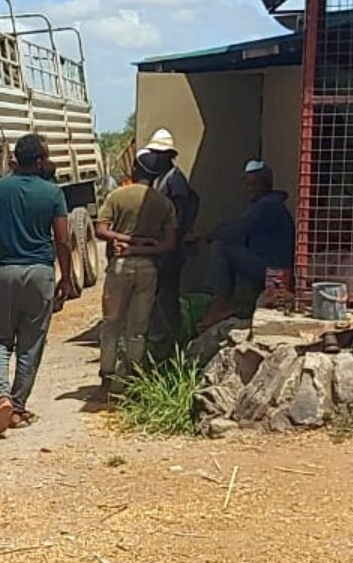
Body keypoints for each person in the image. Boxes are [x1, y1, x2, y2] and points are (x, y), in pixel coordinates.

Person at [0, 133, 77, 437]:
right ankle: (17, 408)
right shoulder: (52, 193)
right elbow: (62, 240)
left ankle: (2, 396)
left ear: (16, 159)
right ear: (41, 161)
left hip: (6, 270)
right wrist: (66, 279)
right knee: (31, 344)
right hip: (40, 273)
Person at [95, 153, 177, 387]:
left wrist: (125, 239)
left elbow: (101, 229)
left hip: (120, 266)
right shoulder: (163, 202)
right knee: (138, 328)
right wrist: (144, 245)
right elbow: (169, 243)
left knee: (111, 324)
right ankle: (133, 377)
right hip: (148, 267)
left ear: (134, 168)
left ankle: (107, 378)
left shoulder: (117, 196)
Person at [197, 160, 295, 332]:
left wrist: (210, 234)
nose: (249, 188)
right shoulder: (269, 204)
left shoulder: (266, 205)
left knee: (220, 247)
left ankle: (222, 302)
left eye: (254, 183)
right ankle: (235, 304)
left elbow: (235, 232)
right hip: (269, 266)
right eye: (247, 184)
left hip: (271, 270)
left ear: (266, 184)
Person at [135, 129, 199, 359]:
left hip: (171, 247)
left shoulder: (174, 178)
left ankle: (171, 340)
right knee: (161, 294)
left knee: (166, 295)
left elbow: (180, 212)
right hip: (165, 244)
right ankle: (166, 341)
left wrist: (174, 239)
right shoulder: (163, 177)